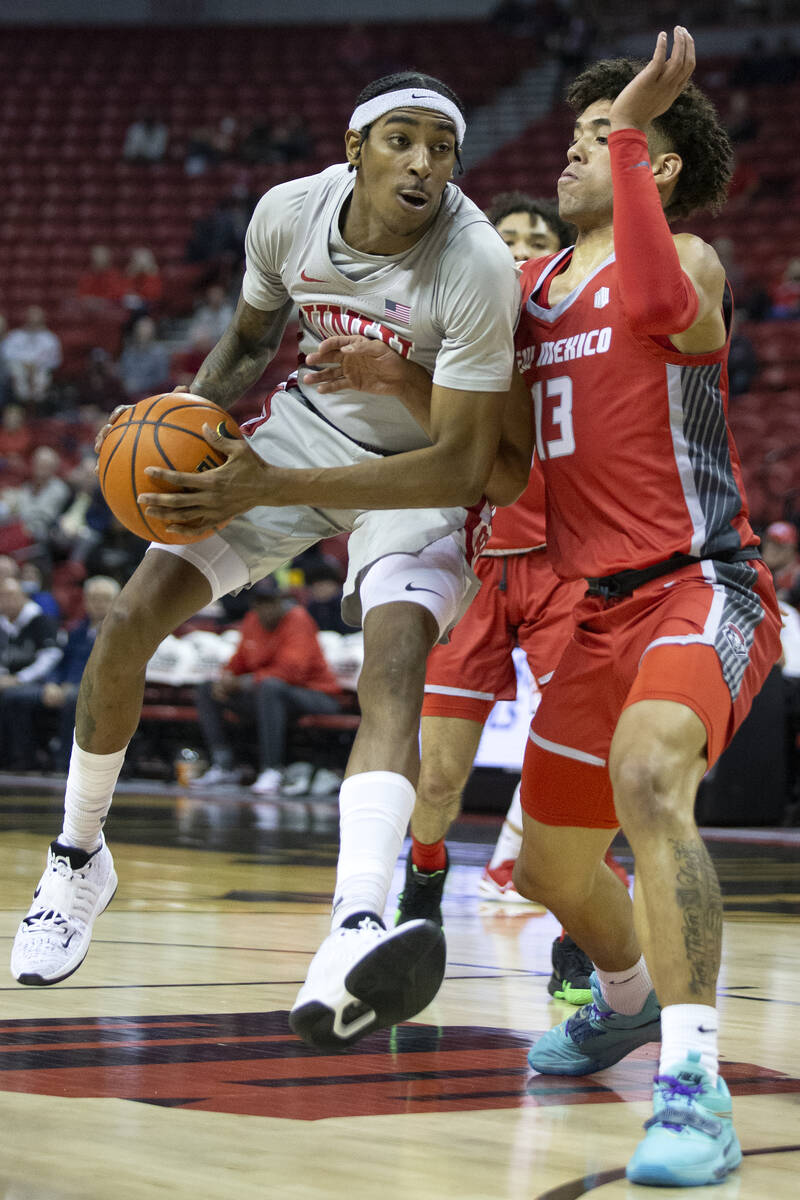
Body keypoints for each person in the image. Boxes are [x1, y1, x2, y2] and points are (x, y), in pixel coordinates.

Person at [10, 72, 524, 1058]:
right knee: (131, 620)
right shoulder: (287, 214)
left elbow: (466, 465)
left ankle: (355, 926)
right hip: (292, 438)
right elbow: (249, 342)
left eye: (441, 149)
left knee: (390, 666)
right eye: (401, 140)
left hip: (414, 475)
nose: (423, 163)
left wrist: (273, 476)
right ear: (354, 146)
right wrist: (186, 440)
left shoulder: (474, 264)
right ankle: (78, 858)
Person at [508, 31, 779, 1188]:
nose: (569, 159)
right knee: (548, 874)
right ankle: (622, 1002)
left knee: (650, 779)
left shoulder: (689, 261)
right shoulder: (526, 292)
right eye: (576, 139)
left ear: (647, 166)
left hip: (698, 581)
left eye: (598, 144)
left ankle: (692, 1089)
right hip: (589, 612)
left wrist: (625, 133)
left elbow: (668, 300)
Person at [307, 194, 620, 1005]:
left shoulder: (577, 330)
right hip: (472, 560)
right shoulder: (451, 331)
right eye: (504, 240)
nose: (516, 253)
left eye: (533, 242)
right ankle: (425, 877)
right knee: (438, 777)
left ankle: (582, 928)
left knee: (582, 767)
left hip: (563, 566)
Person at [190, 578, 344, 796]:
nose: (266, 609)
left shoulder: (298, 619)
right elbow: (239, 661)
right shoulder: (252, 620)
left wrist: (243, 682)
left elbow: (292, 671)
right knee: (207, 688)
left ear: (281, 602)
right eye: (260, 603)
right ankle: (223, 765)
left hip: (317, 695)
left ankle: (272, 769)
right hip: (268, 694)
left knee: (270, 688)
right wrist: (226, 679)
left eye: (271, 602)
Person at [0, 576, 119, 771]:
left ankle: (64, 765)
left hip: (93, 690)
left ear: (116, 601)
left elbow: (112, 670)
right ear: (86, 601)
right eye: (94, 598)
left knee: (75, 701)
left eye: (104, 599)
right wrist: (51, 683)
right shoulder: (77, 630)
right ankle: (22, 760)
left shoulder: (119, 634)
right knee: (14, 696)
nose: (98, 604)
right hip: (62, 686)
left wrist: (74, 686)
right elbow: (59, 662)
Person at [0, 307, 62, 406]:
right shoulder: (16, 335)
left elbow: (54, 359)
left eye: (36, 318)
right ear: (26, 318)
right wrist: (25, 364)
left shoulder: (50, 338)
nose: (33, 321)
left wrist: (35, 365)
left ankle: (37, 402)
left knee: (42, 374)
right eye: (31, 318)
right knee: (16, 370)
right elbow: (7, 354)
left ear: (42, 319)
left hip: (40, 368)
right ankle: (22, 400)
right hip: (18, 367)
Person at [761, 520, 800, 607]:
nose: (770, 549)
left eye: (777, 545)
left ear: (791, 549)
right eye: (768, 542)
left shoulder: (796, 577)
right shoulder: (761, 571)